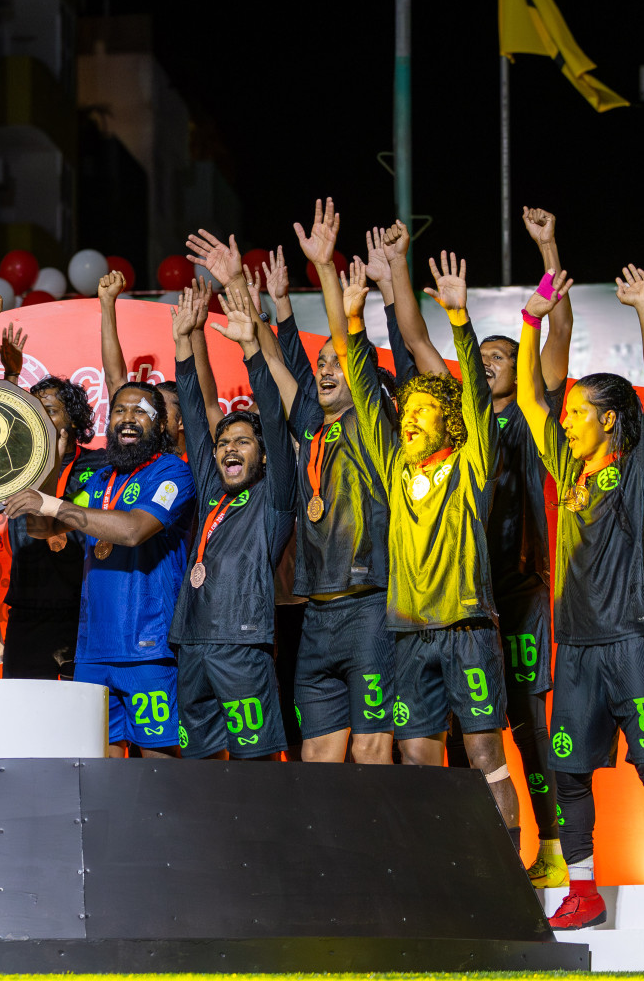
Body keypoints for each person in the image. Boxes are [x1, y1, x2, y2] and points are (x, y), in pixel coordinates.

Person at [376, 209, 572, 885]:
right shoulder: (450, 429)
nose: (487, 365)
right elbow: (412, 333)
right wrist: (398, 265)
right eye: (480, 359)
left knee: (523, 728)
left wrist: (546, 254)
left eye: (499, 359)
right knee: (447, 738)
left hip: (515, 593)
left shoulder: (529, 410)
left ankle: (547, 850)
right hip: (451, 598)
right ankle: (454, 872)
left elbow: (556, 334)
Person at [519, 264, 644, 930]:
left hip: (630, 642)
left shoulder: (639, 474)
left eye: (577, 416)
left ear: (609, 422)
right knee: (568, 776)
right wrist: (533, 319)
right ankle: (584, 891)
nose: (565, 424)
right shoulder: (567, 471)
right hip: (578, 649)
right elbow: (534, 403)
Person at [339, 250, 520, 841]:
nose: (409, 420)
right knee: (417, 756)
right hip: (407, 632)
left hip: (465, 626)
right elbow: (367, 394)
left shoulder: (471, 465)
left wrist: (461, 320)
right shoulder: (395, 466)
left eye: (421, 412)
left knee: (483, 750)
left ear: (450, 423)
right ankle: (445, 874)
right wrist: (349, 323)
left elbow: (474, 399)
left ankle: (512, 880)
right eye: (406, 412)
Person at [264, 200, 398, 767]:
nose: (324, 369)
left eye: (334, 364)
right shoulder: (314, 433)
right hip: (316, 616)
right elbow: (275, 367)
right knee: (317, 760)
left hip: (371, 611)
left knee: (371, 756)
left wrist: (324, 273)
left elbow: (353, 353)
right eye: (321, 363)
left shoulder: (373, 430)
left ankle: (381, 858)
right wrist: (265, 319)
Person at [4, 381, 197, 757]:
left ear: (160, 426)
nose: (127, 419)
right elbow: (42, 527)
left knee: (160, 768)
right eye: (119, 412)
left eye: (140, 411)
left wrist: (53, 506)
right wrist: (49, 466)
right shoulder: (100, 480)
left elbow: (132, 530)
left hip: (147, 650)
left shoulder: (173, 473)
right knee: (98, 770)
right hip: (92, 652)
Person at [169, 282, 295, 760]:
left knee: (254, 765)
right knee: (198, 767)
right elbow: (198, 422)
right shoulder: (212, 491)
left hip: (241, 646)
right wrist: (184, 342)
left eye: (242, 442)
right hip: (191, 642)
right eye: (225, 445)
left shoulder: (275, 497)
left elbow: (281, 431)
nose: (228, 449)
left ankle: (264, 836)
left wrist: (250, 351)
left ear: (263, 455)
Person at [0, 294, 101, 679]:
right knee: (25, 721)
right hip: (27, 610)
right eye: (36, 410)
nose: (42, 416)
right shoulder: (17, 463)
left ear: (72, 419)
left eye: (52, 411)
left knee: (85, 721)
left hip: (85, 611)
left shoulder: (100, 464)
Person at [99, 269, 186, 457]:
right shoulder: (137, 456)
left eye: (157, 409)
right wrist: (107, 302)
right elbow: (115, 379)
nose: (147, 414)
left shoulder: (201, 462)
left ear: (182, 421)